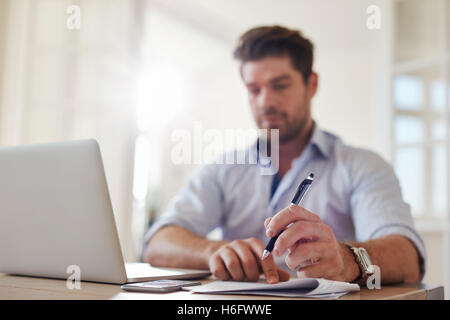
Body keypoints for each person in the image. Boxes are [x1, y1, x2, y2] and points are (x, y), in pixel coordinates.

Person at [142, 25, 425, 286]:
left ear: (311, 85)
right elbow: (158, 243)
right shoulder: (223, 169)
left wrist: (349, 260)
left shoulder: (362, 166)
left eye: (280, 85)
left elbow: (408, 257)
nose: (265, 102)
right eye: (254, 90)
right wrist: (214, 251)